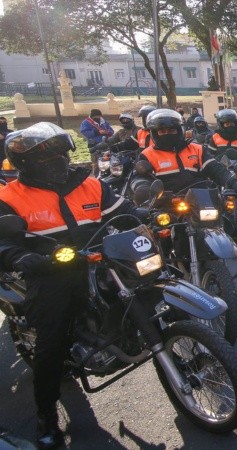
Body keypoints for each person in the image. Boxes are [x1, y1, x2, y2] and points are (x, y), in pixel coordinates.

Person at [0, 122, 141, 448]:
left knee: (145, 287)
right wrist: (20, 257)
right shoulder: (10, 197)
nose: (59, 162)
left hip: (101, 261)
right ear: (25, 163)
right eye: (47, 158)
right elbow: (4, 242)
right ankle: (47, 417)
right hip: (52, 272)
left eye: (62, 154)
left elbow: (124, 212)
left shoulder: (90, 184)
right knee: (51, 342)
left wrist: (148, 214)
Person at [129, 109, 237, 202]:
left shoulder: (197, 149)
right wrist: (142, 187)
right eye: (162, 131)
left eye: (171, 130)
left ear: (179, 130)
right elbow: (138, 178)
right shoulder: (147, 155)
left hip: (202, 200)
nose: (167, 134)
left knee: (227, 220)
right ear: (155, 133)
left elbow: (216, 169)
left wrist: (233, 181)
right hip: (166, 204)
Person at [80, 109, 114, 176]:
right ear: (93, 116)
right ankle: (96, 176)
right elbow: (85, 132)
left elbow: (111, 131)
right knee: (95, 164)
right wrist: (97, 132)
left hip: (105, 145)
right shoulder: (86, 122)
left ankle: (107, 175)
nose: (99, 118)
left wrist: (107, 132)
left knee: (107, 161)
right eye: (97, 116)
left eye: (99, 116)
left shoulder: (103, 122)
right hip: (94, 146)